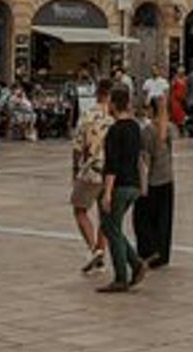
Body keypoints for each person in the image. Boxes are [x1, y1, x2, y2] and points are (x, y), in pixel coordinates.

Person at [96, 85, 146, 293]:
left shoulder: (115, 131)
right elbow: (139, 157)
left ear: (114, 105)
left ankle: (122, 275)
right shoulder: (135, 127)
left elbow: (112, 165)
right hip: (133, 184)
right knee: (111, 227)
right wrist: (142, 183)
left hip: (120, 186)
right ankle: (134, 263)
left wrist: (107, 192)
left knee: (112, 228)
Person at [134, 93, 175, 268]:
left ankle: (148, 251)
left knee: (142, 218)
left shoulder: (148, 131)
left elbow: (145, 158)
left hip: (151, 180)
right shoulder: (169, 128)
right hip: (167, 177)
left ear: (151, 110)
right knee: (163, 219)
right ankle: (162, 254)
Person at [70, 102, 110, 274]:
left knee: (79, 209)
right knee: (104, 214)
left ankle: (93, 248)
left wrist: (75, 168)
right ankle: (101, 251)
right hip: (111, 171)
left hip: (91, 169)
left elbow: (78, 146)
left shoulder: (87, 115)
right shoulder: (115, 117)